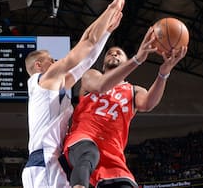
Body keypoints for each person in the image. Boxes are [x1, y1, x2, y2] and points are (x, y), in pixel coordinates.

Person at [21, 0, 130, 188]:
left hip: (49, 162)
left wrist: (106, 33)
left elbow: (86, 60)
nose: (55, 62)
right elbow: (87, 42)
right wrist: (111, 7)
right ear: (38, 65)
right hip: (43, 163)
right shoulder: (47, 78)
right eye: (51, 59)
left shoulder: (52, 86)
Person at [62, 26, 188, 188]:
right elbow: (101, 86)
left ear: (124, 63)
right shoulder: (92, 75)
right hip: (83, 140)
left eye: (118, 53)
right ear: (103, 65)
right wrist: (137, 59)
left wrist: (163, 73)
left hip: (113, 153)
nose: (114, 53)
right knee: (88, 154)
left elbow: (148, 104)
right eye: (110, 53)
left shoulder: (133, 90)